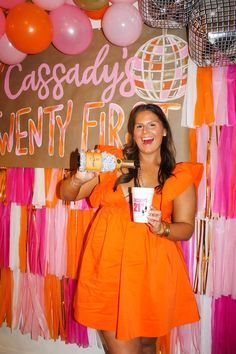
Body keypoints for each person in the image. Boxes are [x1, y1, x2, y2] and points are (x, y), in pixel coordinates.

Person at [60, 103, 203, 354]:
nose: (145, 131)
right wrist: (79, 178)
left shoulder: (176, 177)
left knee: (148, 345)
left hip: (154, 270)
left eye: (152, 124)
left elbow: (187, 228)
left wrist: (163, 228)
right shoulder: (113, 163)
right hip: (110, 268)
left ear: (164, 131)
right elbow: (67, 194)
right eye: (139, 125)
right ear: (132, 133)